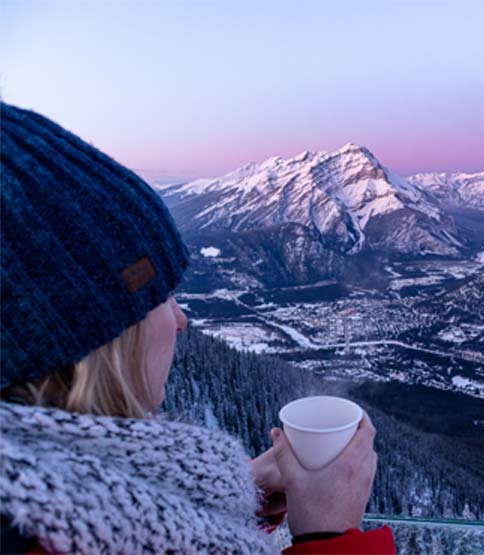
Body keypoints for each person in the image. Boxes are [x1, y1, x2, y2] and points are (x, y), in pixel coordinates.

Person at [0, 102, 395, 555]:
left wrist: (239, 493)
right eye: (161, 296)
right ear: (93, 340)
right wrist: (330, 537)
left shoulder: (40, 509)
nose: (181, 319)